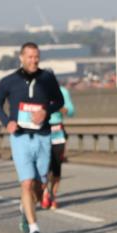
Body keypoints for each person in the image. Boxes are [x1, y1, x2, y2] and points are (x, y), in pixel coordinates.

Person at [0, 43, 64, 233]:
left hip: (42, 135)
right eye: (30, 57)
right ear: (21, 58)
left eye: (37, 57)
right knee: (26, 182)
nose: (34, 60)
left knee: (40, 187)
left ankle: (25, 209)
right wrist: (7, 122)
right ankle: (34, 228)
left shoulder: (47, 78)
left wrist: (46, 112)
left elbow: (59, 101)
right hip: (20, 137)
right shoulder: (9, 81)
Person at [41, 79, 74, 210]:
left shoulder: (63, 92)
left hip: (58, 133)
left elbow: (71, 111)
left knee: (56, 168)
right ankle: (44, 193)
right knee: (44, 167)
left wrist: (61, 108)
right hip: (43, 132)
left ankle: (53, 196)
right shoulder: (39, 92)